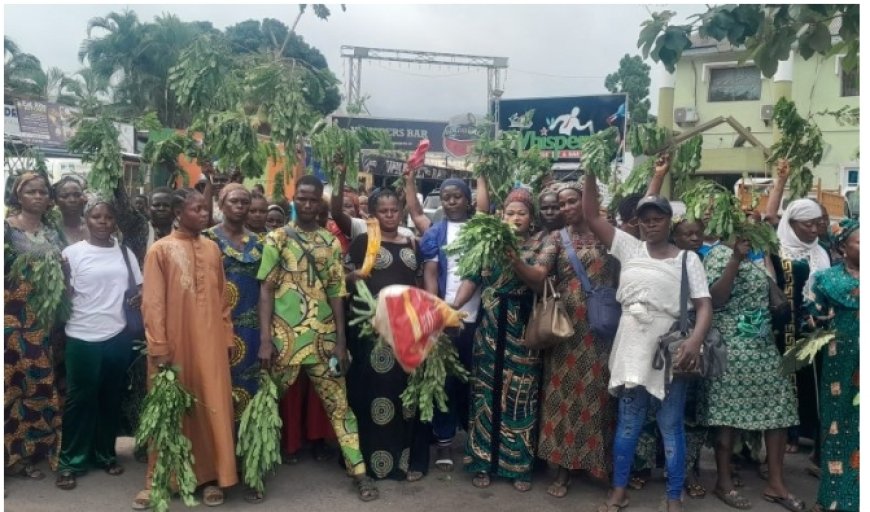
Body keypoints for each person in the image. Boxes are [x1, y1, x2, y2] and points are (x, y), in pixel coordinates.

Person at [583, 172, 713, 512]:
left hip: (670, 353)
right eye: (645, 220)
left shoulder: (689, 259)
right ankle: (618, 491)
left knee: (671, 427)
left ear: (669, 222)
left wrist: (695, 342)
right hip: (631, 348)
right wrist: (589, 175)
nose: (651, 225)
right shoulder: (629, 247)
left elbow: (704, 305)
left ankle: (673, 496)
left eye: (658, 220)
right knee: (628, 424)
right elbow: (592, 216)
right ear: (638, 224)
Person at [258, 175, 379, 501]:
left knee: (340, 408)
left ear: (321, 205)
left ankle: (360, 473)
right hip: (285, 340)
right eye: (302, 199)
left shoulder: (329, 242)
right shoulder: (277, 240)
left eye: (314, 200)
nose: (308, 205)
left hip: (324, 340)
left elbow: (337, 293)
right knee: (266, 405)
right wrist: (265, 340)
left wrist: (341, 340)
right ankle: (255, 471)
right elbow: (266, 290)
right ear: (295, 200)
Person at [133, 188, 237, 509]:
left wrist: (227, 338)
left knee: (211, 407)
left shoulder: (212, 249)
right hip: (173, 347)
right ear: (179, 212)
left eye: (205, 210)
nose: (204, 215)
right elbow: (152, 304)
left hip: (211, 345)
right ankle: (162, 479)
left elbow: (222, 300)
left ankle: (209, 478)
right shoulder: (160, 251)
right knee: (171, 411)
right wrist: (159, 346)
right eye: (196, 210)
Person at [522, 181, 620, 498]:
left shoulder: (608, 234)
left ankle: (596, 464)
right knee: (562, 398)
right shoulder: (557, 238)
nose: (564, 208)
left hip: (602, 330)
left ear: (587, 201)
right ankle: (563, 469)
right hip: (565, 331)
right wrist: (514, 259)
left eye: (571, 201)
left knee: (599, 398)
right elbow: (539, 275)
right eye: (561, 203)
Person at [701, 232, 802, 511]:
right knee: (728, 413)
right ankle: (723, 482)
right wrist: (735, 258)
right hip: (730, 345)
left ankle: (776, 484)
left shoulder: (759, 252)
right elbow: (716, 299)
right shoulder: (717, 254)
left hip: (762, 342)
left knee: (779, 410)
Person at [454, 188, 546, 492]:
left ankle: (519, 465)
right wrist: (453, 306)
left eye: (522, 213)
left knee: (521, 394)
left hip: (523, 326)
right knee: (485, 394)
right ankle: (482, 462)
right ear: (501, 216)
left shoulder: (541, 243)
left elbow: (539, 280)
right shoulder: (486, 242)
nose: (516, 218)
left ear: (531, 218)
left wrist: (515, 259)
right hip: (490, 326)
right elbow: (471, 279)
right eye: (510, 213)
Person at [55, 196, 142, 490]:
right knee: (80, 400)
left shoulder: (126, 253)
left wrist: (137, 298)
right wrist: (65, 280)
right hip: (82, 336)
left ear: (114, 221)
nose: (103, 222)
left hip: (118, 335)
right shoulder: (72, 254)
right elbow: (63, 298)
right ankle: (71, 461)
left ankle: (105, 454)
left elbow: (138, 289)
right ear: (86, 220)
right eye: (96, 217)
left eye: (108, 217)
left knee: (110, 398)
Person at [345, 188, 429, 482]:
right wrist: (353, 278)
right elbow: (342, 282)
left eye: (395, 210)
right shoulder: (363, 243)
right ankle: (370, 462)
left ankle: (402, 462)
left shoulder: (412, 243)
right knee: (373, 394)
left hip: (404, 330)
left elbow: (418, 284)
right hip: (372, 331)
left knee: (403, 395)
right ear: (374, 215)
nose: (390, 215)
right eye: (384, 211)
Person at [203, 184, 265, 502]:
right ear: (221, 203)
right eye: (233, 201)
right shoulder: (207, 239)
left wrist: (268, 337)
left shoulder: (261, 242)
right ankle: (216, 475)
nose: (240, 206)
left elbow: (269, 291)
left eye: (245, 201)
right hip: (216, 332)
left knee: (251, 402)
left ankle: (250, 470)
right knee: (216, 401)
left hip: (252, 334)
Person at [4, 172, 65, 481]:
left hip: (43, 322)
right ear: (18, 196)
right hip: (12, 322)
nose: (38, 196)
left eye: (43, 191)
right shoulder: (6, 230)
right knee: (11, 385)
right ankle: (10, 456)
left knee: (39, 385)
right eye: (31, 192)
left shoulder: (53, 232)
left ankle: (34, 449)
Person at [420, 178, 481, 472]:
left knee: (472, 381)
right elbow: (431, 271)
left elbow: (475, 274)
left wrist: (456, 307)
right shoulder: (435, 233)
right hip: (443, 318)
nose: (451, 201)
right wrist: (437, 307)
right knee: (443, 380)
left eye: (457, 196)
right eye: (446, 197)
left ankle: (473, 441)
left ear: (468, 200)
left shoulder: (480, 231)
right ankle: (444, 441)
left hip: (475, 317)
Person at [772, 197, 830, 464]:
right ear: (792, 223)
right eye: (808, 224)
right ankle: (789, 434)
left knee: (813, 383)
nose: (814, 230)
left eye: (818, 224)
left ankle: (811, 433)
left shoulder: (821, 252)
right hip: (784, 327)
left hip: (817, 327)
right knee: (787, 380)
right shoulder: (776, 249)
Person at [807, 220, 859, 512]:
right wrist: (816, 322)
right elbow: (811, 315)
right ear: (842, 247)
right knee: (837, 429)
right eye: (859, 242)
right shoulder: (826, 279)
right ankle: (831, 498)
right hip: (840, 365)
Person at [54, 176, 88, 246]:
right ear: (56, 201)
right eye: (65, 196)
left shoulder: (95, 226)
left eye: (77, 195)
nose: (72, 200)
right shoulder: (52, 231)